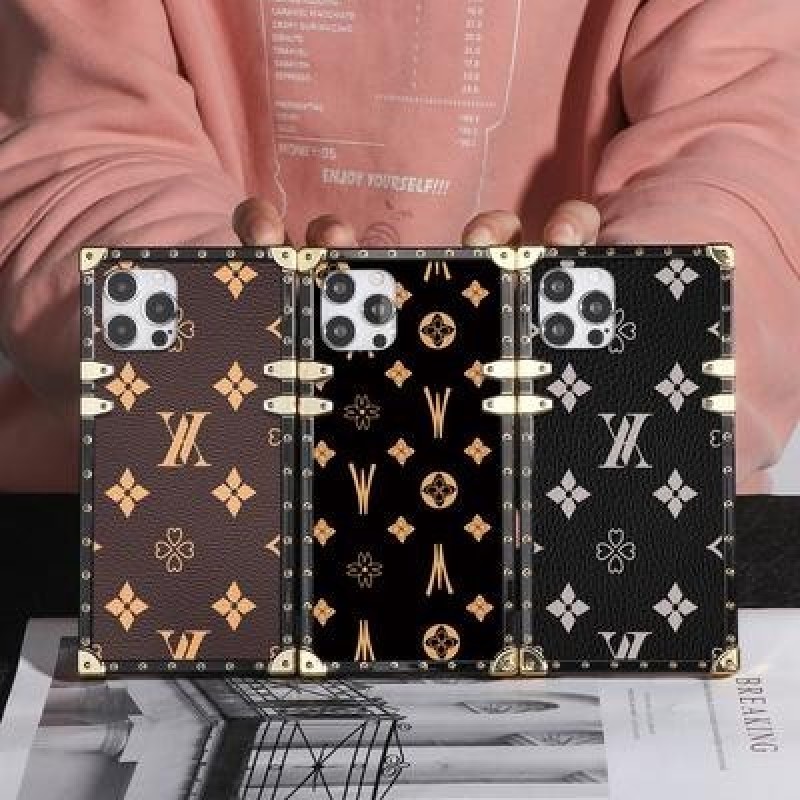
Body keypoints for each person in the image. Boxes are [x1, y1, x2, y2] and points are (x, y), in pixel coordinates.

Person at [0, 0, 798, 493]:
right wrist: (236, 329)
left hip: (599, 500)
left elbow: (750, 168)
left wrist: (613, 345)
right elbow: (81, 154)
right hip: (156, 503)